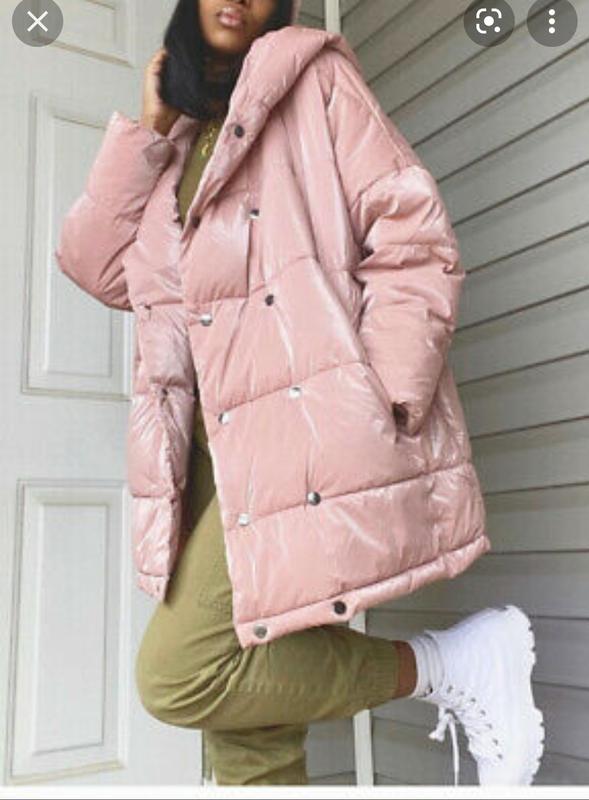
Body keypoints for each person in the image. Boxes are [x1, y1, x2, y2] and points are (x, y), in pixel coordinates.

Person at [55, 0, 545, 787]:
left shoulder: (313, 80)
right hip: (205, 450)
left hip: (300, 435)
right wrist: (147, 131)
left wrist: (382, 399)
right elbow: (97, 267)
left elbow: (413, 238)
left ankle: (446, 664)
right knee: (250, 735)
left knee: (181, 674)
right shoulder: (173, 141)